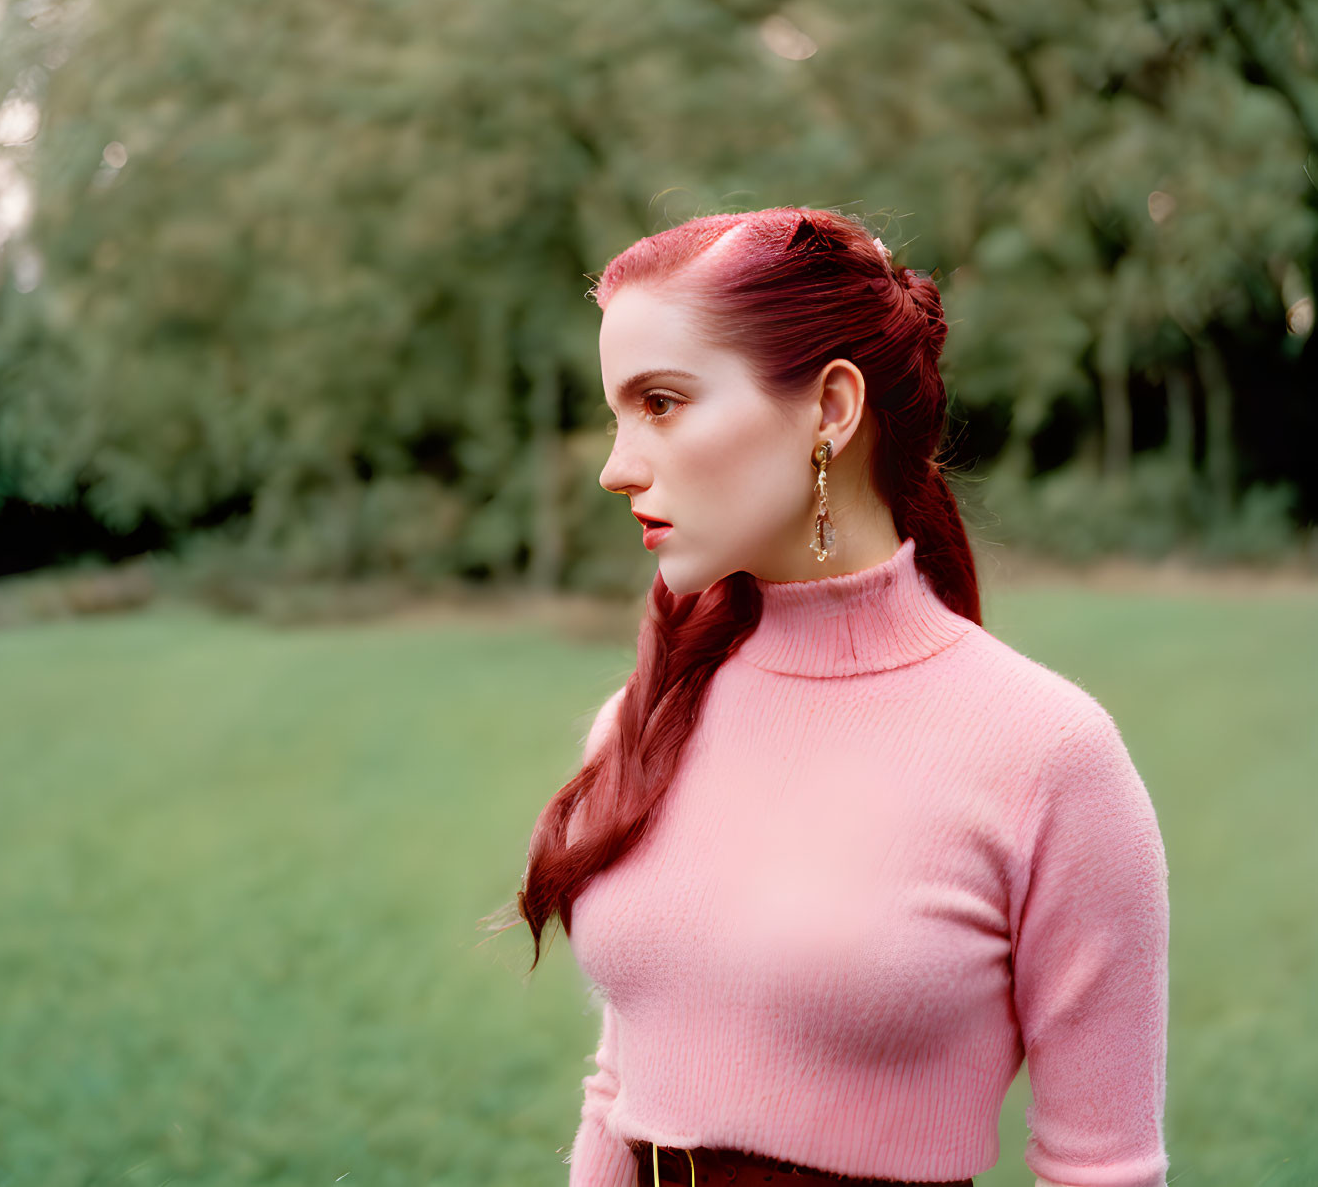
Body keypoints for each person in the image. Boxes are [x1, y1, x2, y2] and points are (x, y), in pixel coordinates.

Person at [484, 208, 1170, 1187]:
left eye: (662, 402)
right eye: (615, 414)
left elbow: (1101, 1172)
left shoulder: (1046, 754)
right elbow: (621, 1083)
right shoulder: (645, 720)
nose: (615, 467)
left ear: (830, 409)